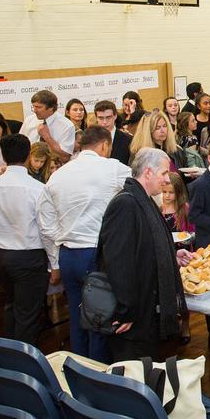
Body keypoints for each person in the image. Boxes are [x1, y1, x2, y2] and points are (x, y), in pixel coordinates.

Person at [38, 126, 130, 361]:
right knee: (100, 317)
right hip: (96, 254)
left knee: (77, 317)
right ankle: (98, 377)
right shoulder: (112, 168)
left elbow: (47, 225)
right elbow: (143, 189)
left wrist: (54, 262)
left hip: (68, 255)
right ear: (104, 145)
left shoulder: (58, 175)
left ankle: (78, 369)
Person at [99, 148, 186, 362]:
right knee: (134, 374)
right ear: (148, 172)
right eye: (164, 173)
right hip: (135, 316)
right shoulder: (126, 203)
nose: (167, 180)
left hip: (146, 311)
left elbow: (145, 248)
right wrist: (125, 311)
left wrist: (171, 256)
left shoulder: (143, 200)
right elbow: (118, 262)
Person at [0, 134, 58, 345]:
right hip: (28, 258)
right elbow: (47, 231)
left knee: (11, 305)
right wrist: (55, 263)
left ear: (4, 157)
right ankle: (23, 365)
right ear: (27, 157)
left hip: (0, 256)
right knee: (28, 314)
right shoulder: (37, 189)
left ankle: (10, 356)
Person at [15, 91, 75, 164]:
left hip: (54, 169)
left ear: (51, 108)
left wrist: (47, 137)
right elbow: (18, 147)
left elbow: (65, 157)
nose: (35, 110)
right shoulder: (29, 120)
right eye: (33, 106)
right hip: (29, 168)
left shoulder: (67, 125)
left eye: (39, 107)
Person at [93, 100, 132, 166]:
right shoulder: (90, 140)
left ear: (115, 116)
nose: (105, 122)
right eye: (101, 118)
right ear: (96, 118)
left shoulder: (128, 139)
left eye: (108, 117)